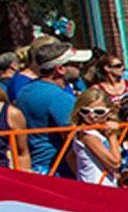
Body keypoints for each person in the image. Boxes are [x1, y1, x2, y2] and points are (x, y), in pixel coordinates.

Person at [15, 40, 92, 174]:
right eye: (74, 64)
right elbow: (74, 140)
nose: (80, 66)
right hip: (59, 170)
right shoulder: (59, 97)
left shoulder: (24, 92)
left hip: (37, 167)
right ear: (60, 69)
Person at [68, 87, 124, 186]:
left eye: (99, 112)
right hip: (96, 187)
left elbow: (70, 157)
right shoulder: (88, 135)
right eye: (85, 111)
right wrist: (112, 135)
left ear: (109, 111)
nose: (92, 116)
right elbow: (115, 163)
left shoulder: (93, 131)